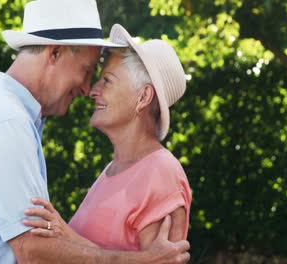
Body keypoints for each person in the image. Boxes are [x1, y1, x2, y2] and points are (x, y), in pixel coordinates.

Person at [0, 0, 190, 263]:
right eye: (87, 71)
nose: (87, 89)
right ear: (55, 53)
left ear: (143, 97)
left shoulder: (8, 118)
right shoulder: (5, 123)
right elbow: (35, 252)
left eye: (104, 79)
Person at [23, 23, 192, 252]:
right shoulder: (113, 170)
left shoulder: (162, 174)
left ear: (143, 97)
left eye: (107, 81)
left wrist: (66, 234)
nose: (93, 91)